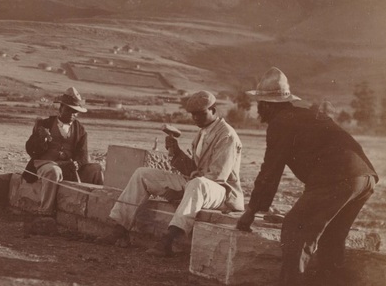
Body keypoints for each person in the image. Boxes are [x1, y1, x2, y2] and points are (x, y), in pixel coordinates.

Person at [236, 67, 377, 286]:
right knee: (333, 234)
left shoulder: (280, 123)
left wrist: (251, 211)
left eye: (260, 103)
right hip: (365, 177)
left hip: (338, 178)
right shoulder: (305, 116)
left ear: (268, 105)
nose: (258, 109)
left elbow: (270, 170)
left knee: (296, 226)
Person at [109, 91, 244, 255]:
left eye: (200, 114)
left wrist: (181, 192)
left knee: (197, 184)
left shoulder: (226, 135)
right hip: (198, 186)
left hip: (222, 193)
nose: (195, 118)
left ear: (213, 110)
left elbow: (216, 176)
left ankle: (168, 240)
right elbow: (195, 170)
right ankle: (119, 229)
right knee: (142, 174)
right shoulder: (203, 132)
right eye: (193, 114)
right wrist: (177, 151)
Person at [22, 87, 103, 215]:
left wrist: (77, 164)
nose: (72, 114)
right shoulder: (44, 124)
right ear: (61, 108)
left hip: (69, 168)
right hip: (46, 164)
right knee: (54, 171)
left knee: (96, 169)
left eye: (75, 111)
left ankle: (99, 211)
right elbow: (31, 150)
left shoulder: (81, 130)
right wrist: (41, 139)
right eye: (69, 110)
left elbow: (82, 155)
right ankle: (45, 211)